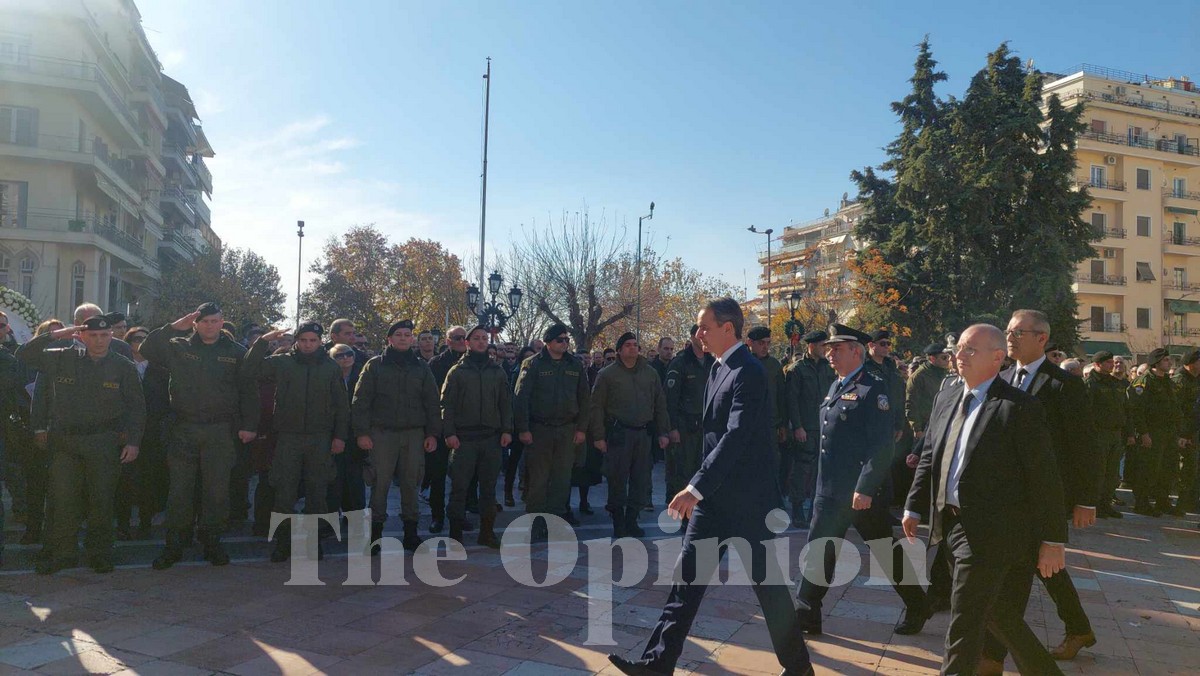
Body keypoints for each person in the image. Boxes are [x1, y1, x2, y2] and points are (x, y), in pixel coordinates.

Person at [608, 298, 812, 676]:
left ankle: (799, 669)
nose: (698, 334)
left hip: (749, 504)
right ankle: (657, 665)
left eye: (704, 327)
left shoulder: (748, 371)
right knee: (686, 585)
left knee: (770, 592)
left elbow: (735, 437)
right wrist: (700, 489)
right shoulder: (719, 368)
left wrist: (694, 488)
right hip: (714, 504)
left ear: (728, 329)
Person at [903, 324, 1067, 675]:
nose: (958, 355)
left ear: (997, 358)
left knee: (964, 618)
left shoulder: (1019, 407)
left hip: (993, 531)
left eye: (969, 350)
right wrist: (914, 504)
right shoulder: (946, 395)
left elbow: (1045, 478)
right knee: (996, 612)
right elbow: (931, 455)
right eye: (958, 348)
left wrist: (1053, 539)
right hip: (953, 523)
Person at [795, 324, 929, 637]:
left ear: (856, 351)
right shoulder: (835, 386)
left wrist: (866, 487)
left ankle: (917, 602)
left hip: (859, 492)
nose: (830, 354)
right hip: (829, 490)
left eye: (837, 349)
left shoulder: (873, 390)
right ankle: (807, 611)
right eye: (828, 348)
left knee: (884, 549)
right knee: (820, 548)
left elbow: (882, 446)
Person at [992, 309, 1097, 664]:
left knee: (1038, 563)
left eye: (1019, 332)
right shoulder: (1002, 376)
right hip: (1006, 494)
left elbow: (1083, 444)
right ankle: (1077, 628)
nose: (1010, 337)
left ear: (1042, 338)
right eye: (1008, 331)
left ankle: (1000, 647)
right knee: (1041, 564)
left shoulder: (1063, 384)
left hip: (1043, 494)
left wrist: (1086, 498)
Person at [18, 315, 145, 575]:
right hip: (65, 442)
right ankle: (63, 553)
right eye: (93, 335)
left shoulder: (123, 366)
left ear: (111, 336)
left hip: (103, 442)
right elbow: (25, 353)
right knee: (64, 501)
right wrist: (57, 334)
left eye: (104, 335)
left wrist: (133, 442)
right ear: (83, 336)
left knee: (101, 500)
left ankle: (99, 553)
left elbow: (137, 408)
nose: (99, 340)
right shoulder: (62, 357)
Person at [146, 303, 258, 570]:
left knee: (216, 491)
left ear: (222, 322)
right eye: (205, 321)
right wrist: (174, 326)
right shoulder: (178, 345)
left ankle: (212, 542)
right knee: (179, 491)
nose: (210, 325)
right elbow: (148, 349)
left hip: (219, 430)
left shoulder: (236, 352)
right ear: (195, 323)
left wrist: (249, 425)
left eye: (215, 321)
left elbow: (248, 391)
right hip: (184, 428)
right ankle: (174, 544)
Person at [243, 323, 349, 561]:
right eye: (304, 340)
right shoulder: (283, 363)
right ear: (296, 341)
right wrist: (263, 342)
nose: (308, 345)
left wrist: (339, 436)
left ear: (320, 341)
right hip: (288, 438)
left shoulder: (331, 367)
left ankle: (312, 542)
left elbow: (341, 406)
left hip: (320, 438)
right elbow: (250, 369)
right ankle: (283, 542)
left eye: (313, 340)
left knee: (317, 492)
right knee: (284, 492)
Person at [352, 320, 441, 552]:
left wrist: (432, 433)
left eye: (407, 334)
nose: (403, 338)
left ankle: (411, 534)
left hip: (413, 434)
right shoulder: (375, 366)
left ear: (412, 339)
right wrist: (362, 433)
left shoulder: (421, 367)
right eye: (398, 334)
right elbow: (361, 402)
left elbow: (432, 403)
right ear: (389, 339)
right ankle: (375, 535)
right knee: (379, 484)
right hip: (382, 434)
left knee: (411, 484)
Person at [513, 324, 590, 541]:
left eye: (567, 340)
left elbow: (585, 400)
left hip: (567, 430)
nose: (565, 343)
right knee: (538, 479)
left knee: (561, 479)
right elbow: (521, 399)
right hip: (540, 430)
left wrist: (582, 428)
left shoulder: (575, 365)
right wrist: (524, 429)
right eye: (560, 340)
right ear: (548, 342)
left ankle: (555, 522)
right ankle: (536, 524)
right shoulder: (533, 364)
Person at [589, 332, 669, 538]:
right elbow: (596, 407)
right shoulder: (607, 375)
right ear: (619, 350)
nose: (633, 348)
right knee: (617, 480)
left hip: (643, 434)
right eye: (628, 345)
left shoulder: (650, 373)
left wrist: (663, 432)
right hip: (618, 434)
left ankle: (632, 519)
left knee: (641, 480)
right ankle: (618, 521)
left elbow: (660, 404)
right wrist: (598, 436)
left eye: (636, 345)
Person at [441, 325, 512, 547]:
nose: (481, 342)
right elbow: (447, 406)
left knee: (489, 489)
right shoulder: (457, 372)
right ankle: (455, 534)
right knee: (459, 488)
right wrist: (449, 433)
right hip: (464, 439)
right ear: (468, 343)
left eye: (484, 338)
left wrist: (507, 430)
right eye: (477, 338)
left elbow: (505, 404)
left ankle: (487, 532)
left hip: (491, 438)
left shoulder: (497, 372)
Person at [115, 326, 170, 540]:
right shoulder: (120, 367)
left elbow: (167, 404)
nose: (141, 342)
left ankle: (146, 523)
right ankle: (122, 524)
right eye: (137, 339)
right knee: (124, 483)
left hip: (152, 435)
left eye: (145, 339)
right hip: (124, 434)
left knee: (149, 481)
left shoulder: (162, 371)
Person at [783, 330, 835, 526]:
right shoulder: (797, 369)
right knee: (802, 469)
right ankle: (797, 508)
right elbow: (792, 401)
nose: (826, 349)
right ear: (811, 346)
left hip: (824, 426)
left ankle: (815, 510)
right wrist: (797, 426)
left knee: (820, 471)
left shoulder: (828, 368)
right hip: (806, 427)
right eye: (823, 345)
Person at [663, 324, 713, 512]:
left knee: (704, 468)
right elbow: (670, 399)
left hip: (706, 425)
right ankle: (681, 511)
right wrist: (672, 427)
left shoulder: (712, 361)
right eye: (699, 335)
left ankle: (699, 509)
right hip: (685, 426)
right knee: (683, 470)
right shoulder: (680, 362)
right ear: (692, 337)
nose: (703, 339)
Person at [1128, 348, 1182, 517]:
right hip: (1152, 432)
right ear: (1156, 363)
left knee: (1168, 468)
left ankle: (1163, 501)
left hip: (1169, 432)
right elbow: (1137, 411)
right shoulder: (1143, 381)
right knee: (1148, 469)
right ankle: (1142, 503)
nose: (1169, 363)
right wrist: (1143, 433)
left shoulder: (1168, 381)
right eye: (1166, 360)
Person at [425, 325, 468, 533]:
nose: (461, 341)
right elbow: (431, 398)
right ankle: (437, 516)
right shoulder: (436, 363)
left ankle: (460, 515)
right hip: (442, 427)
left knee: (464, 477)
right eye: (457, 338)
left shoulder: (473, 362)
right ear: (448, 340)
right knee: (438, 475)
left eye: (464, 337)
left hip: (466, 428)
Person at [1084, 351, 1129, 519]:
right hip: (1099, 433)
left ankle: (1106, 503)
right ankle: (1095, 505)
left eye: (1112, 361)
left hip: (1115, 433)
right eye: (1108, 362)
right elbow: (1086, 412)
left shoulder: (1115, 383)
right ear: (1097, 364)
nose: (1112, 365)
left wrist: (1128, 432)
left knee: (1112, 473)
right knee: (1099, 471)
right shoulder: (1090, 383)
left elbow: (1124, 408)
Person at [328, 343, 366, 531]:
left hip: (355, 436)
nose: (345, 358)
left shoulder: (363, 375)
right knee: (332, 480)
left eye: (349, 354)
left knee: (355, 481)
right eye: (339, 356)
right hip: (332, 435)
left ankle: (355, 520)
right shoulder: (327, 377)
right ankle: (330, 521)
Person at [746, 327, 787, 467]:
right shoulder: (743, 363)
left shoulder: (774, 365)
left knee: (771, 462)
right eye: (761, 343)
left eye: (768, 343)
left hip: (770, 423)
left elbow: (781, 396)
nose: (765, 347)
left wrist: (782, 425)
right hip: (748, 423)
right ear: (750, 343)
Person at [504, 345, 538, 509]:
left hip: (535, 421)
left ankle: (528, 490)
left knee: (532, 460)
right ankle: (508, 491)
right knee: (514, 459)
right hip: (518, 422)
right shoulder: (516, 372)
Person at [1169, 349, 1199, 515]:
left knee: (1194, 469)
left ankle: (1191, 502)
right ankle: (1182, 503)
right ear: (1191, 363)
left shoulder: (1196, 379)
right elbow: (1174, 410)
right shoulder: (1179, 380)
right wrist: (1181, 434)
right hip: (1184, 433)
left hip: (1194, 430)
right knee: (1186, 468)